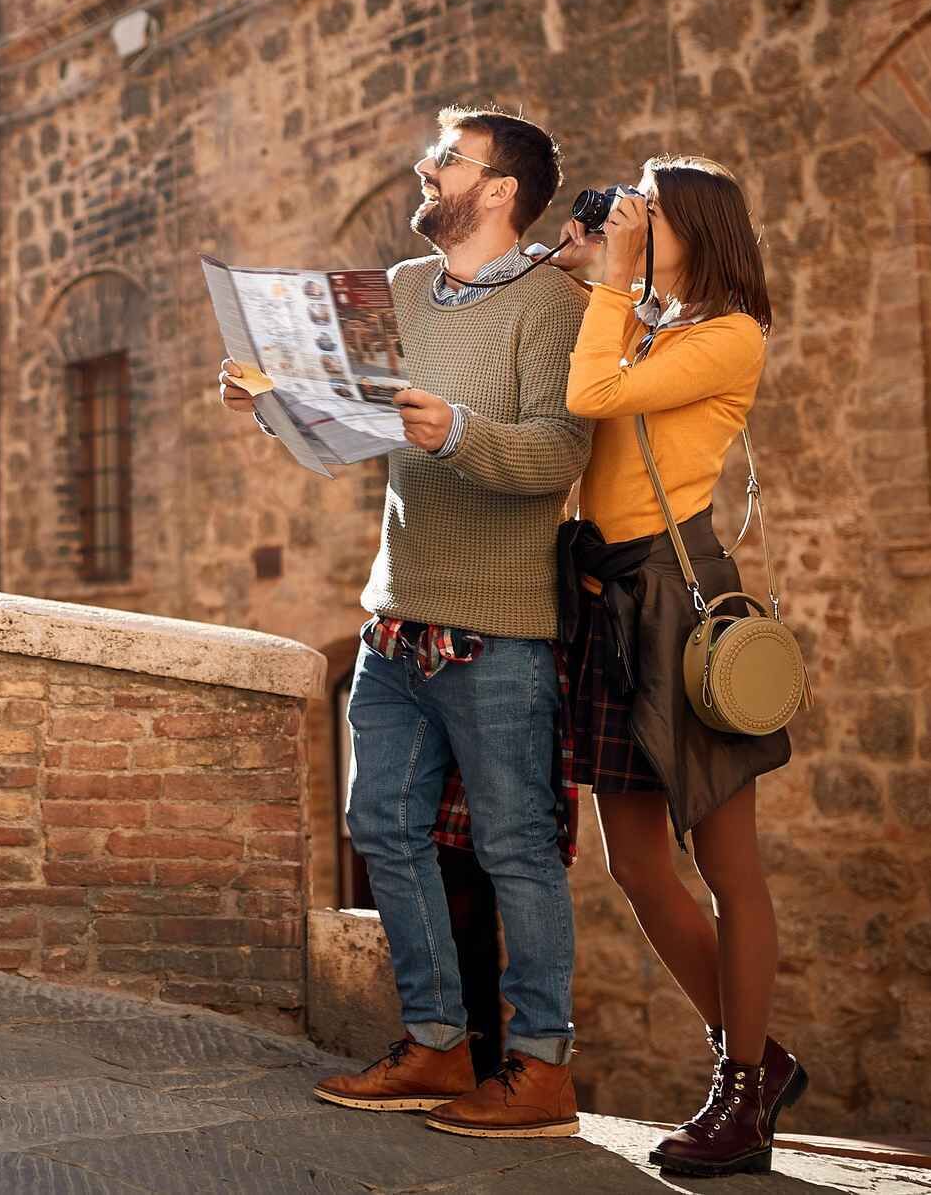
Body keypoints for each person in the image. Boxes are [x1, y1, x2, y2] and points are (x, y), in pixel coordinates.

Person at [222, 106, 590, 1139]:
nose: (427, 170)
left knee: (517, 849)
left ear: (500, 191)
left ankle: (541, 1067)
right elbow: (345, 425)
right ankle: (435, 1042)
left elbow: (558, 458)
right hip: (396, 619)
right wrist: (273, 400)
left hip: (501, 628)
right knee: (378, 824)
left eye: (449, 160)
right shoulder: (390, 291)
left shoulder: (552, 305)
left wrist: (459, 430)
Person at [554, 158, 801, 1178]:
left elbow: (590, 390)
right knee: (636, 866)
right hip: (609, 598)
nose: (632, 223)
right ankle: (765, 1059)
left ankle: (739, 1091)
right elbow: (594, 385)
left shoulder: (728, 337)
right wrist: (582, 272)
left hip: (675, 599)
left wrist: (608, 282)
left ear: (694, 227)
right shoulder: (653, 322)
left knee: (726, 866)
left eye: (648, 214)